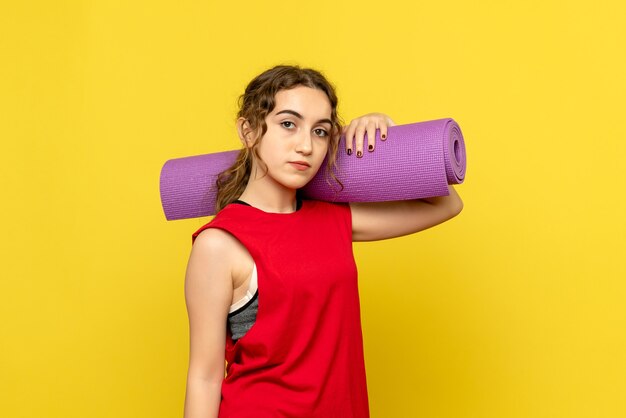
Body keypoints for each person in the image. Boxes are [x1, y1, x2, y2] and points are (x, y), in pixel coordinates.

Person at [183, 65, 463, 418]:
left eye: (320, 131)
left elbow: (447, 203)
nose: (306, 146)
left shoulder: (334, 220)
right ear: (248, 130)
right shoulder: (219, 243)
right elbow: (204, 379)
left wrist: (385, 141)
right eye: (289, 124)